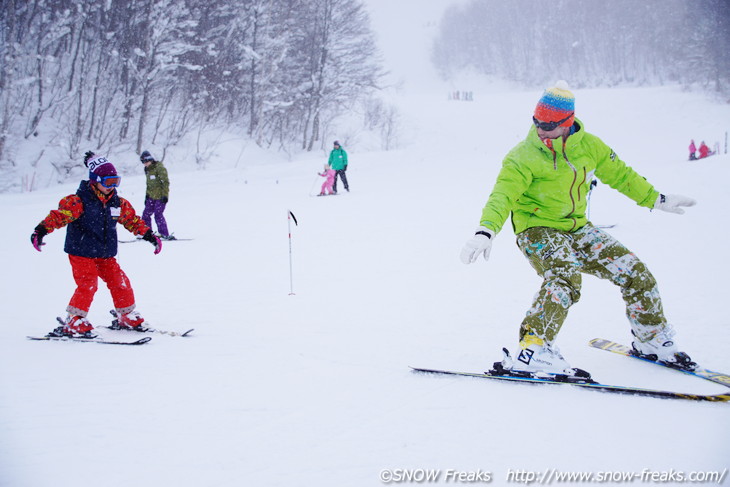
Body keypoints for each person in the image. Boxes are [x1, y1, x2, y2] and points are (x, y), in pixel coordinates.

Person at [459, 81, 697, 377]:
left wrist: (655, 199)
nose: (540, 130)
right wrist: (486, 231)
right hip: (537, 229)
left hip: (577, 228)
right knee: (564, 276)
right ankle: (533, 349)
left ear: (567, 122)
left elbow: (621, 175)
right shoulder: (522, 156)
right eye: (536, 122)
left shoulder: (590, 147)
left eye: (548, 124)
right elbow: (502, 195)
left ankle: (650, 338)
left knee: (635, 271)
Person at [30, 151, 162, 338]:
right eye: (108, 182)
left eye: (116, 181)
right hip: (81, 251)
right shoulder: (78, 201)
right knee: (88, 283)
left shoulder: (117, 203)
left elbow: (131, 220)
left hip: (105, 253)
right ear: (95, 181)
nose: (112, 186)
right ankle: (74, 320)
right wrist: (41, 230)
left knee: (120, 281)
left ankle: (126, 314)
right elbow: (59, 216)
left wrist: (149, 235)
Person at [140, 150, 174, 240]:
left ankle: (164, 234)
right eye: (143, 162)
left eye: (146, 161)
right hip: (151, 197)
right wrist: (146, 196)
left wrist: (165, 195)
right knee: (145, 215)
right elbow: (149, 184)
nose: (145, 164)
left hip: (160, 197)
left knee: (158, 214)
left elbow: (165, 182)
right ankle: (147, 233)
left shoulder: (159, 168)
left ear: (150, 160)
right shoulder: (147, 170)